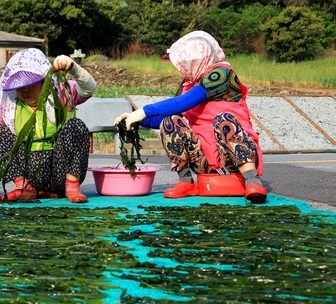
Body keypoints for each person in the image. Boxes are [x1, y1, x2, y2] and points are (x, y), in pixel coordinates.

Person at [114, 31, 267, 204]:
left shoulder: (222, 75)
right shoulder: (190, 83)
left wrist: (144, 110)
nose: (183, 69)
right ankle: (186, 181)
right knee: (170, 120)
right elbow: (173, 117)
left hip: (233, 155)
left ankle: (252, 180)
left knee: (224, 120)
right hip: (203, 158)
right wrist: (136, 119)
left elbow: (185, 102)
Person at [0, 48, 96, 203]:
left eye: (30, 84)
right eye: (20, 86)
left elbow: (88, 89)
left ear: (43, 80)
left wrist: (73, 69)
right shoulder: (9, 106)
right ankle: (24, 188)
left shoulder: (61, 93)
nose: (25, 90)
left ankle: (72, 187)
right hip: (31, 174)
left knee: (76, 126)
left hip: (61, 171)